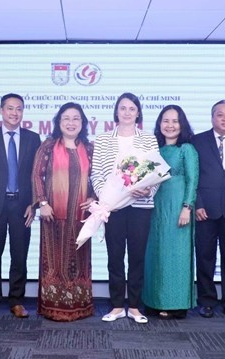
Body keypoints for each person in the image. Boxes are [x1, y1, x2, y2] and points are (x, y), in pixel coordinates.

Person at [91, 92, 158, 324]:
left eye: (132, 108)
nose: (127, 112)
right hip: (114, 208)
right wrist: (105, 196)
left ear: (138, 112)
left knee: (137, 257)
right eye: (123, 108)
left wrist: (148, 189)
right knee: (115, 257)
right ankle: (118, 305)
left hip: (141, 206)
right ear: (116, 112)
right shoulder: (103, 139)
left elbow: (156, 174)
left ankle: (136, 307)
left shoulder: (149, 139)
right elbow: (96, 173)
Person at [0, 93, 41, 319]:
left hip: (22, 206)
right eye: (10, 108)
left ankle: (17, 301)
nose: (15, 113)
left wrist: (34, 204)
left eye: (19, 109)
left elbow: (37, 176)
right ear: (1, 111)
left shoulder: (33, 139)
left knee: (19, 255)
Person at [31, 102, 95, 321]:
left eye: (76, 118)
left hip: (82, 217)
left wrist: (93, 198)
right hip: (52, 216)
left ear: (83, 123)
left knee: (79, 261)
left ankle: (80, 307)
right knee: (54, 262)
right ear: (59, 122)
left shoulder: (89, 148)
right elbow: (36, 176)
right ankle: (52, 307)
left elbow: (97, 180)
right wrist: (42, 202)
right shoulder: (48, 146)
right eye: (66, 118)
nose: (71, 122)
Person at [191, 100, 225, 320]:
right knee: (205, 257)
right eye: (220, 115)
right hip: (205, 209)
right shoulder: (197, 142)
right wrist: (198, 203)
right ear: (212, 117)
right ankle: (206, 301)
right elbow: (192, 176)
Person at [142, 105, 198, 319]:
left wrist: (187, 207)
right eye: (165, 120)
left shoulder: (187, 149)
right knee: (156, 253)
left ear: (182, 124)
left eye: (175, 121)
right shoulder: (154, 150)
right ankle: (154, 301)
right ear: (159, 124)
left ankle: (176, 304)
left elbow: (193, 180)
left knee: (177, 254)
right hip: (155, 208)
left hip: (178, 208)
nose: (170, 125)